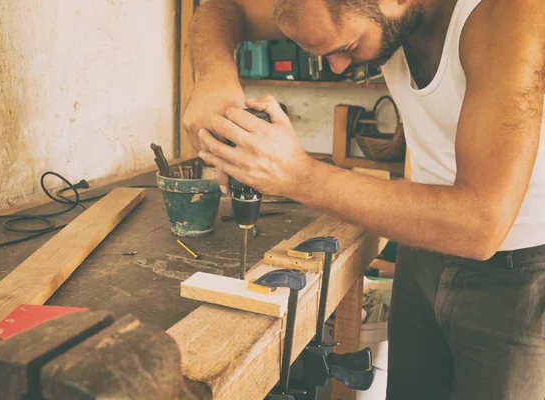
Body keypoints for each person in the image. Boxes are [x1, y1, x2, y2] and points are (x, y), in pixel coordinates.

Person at [182, 0, 545, 399]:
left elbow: (481, 226)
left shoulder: (511, 15)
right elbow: (223, 6)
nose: (339, 66)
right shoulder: (355, 10)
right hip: (422, 249)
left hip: (520, 275)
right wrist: (215, 76)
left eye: (348, 47)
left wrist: (299, 176)